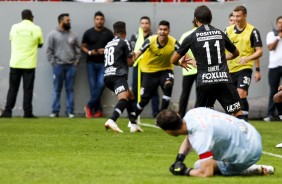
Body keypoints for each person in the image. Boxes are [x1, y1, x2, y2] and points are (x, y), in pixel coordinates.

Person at [171, 5, 244, 119]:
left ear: (196, 20)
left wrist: (181, 63)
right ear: (211, 18)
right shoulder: (220, 33)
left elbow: (173, 60)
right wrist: (224, 58)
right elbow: (236, 53)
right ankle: (245, 136)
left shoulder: (191, 37)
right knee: (237, 112)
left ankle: (204, 137)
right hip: (223, 78)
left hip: (205, 81)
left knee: (203, 116)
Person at [156, 108, 275, 177]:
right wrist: (179, 160)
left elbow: (207, 173)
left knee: (199, 165)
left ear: (168, 131)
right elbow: (189, 137)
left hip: (250, 152)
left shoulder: (200, 137)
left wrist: (185, 171)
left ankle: (254, 168)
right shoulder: (192, 114)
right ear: (178, 115)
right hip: (251, 132)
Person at [1, 9, 43, 118]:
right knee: (28, 90)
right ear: (31, 17)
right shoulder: (36, 28)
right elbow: (40, 43)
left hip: (15, 62)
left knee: (12, 88)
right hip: (29, 64)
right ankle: (27, 113)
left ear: (22, 17)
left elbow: (11, 40)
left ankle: (7, 112)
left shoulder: (14, 27)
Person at [133, 20, 181, 118]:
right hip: (149, 71)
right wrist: (131, 60)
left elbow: (182, 53)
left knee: (168, 85)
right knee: (144, 99)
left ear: (169, 31)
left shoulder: (173, 42)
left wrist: (189, 61)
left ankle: (160, 117)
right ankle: (133, 117)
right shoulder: (150, 40)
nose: (163, 32)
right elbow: (138, 53)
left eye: (165, 30)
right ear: (157, 30)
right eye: (161, 29)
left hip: (165, 70)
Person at [104, 21, 143, 133]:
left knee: (130, 95)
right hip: (118, 75)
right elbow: (130, 63)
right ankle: (112, 120)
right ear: (124, 32)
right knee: (124, 98)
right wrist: (134, 55)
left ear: (114, 32)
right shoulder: (124, 41)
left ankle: (133, 124)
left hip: (107, 77)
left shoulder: (108, 44)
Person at [226, 5, 263, 120]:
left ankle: (243, 122)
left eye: (238, 16)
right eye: (234, 16)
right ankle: (237, 119)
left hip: (245, 68)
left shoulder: (253, 31)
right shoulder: (228, 31)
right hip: (230, 69)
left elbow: (259, 51)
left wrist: (248, 59)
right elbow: (222, 50)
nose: (236, 19)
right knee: (233, 97)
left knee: (241, 93)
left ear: (245, 16)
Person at [46, 13, 81, 118]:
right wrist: (53, 63)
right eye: (67, 20)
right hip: (58, 66)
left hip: (71, 66)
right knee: (56, 89)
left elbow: (78, 49)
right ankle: (55, 111)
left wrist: (76, 62)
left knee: (70, 89)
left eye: (69, 20)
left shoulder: (73, 34)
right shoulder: (52, 34)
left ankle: (70, 111)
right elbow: (49, 50)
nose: (69, 22)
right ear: (61, 21)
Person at [81, 11, 114, 118]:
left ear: (104, 21)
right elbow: (83, 46)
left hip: (104, 63)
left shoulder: (109, 33)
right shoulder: (88, 32)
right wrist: (90, 52)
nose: (99, 21)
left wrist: (105, 50)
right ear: (94, 20)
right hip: (91, 63)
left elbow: (113, 47)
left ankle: (89, 106)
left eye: (101, 19)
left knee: (101, 84)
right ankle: (98, 110)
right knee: (93, 88)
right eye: (97, 19)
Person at [130, 16, 160, 118]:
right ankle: (134, 113)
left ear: (150, 25)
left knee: (153, 90)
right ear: (140, 24)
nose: (144, 25)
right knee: (135, 89)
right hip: (138, 65)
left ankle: (156, 113)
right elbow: (132, 50)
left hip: (150, 66)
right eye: (142, 23)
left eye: (146, 23)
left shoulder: (154, 37)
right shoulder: (135, 36)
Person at [178, 21, 198, 118]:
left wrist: (191, 61)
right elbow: (180, 49)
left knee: (185, 93)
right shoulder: (204, 34)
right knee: (200, 94)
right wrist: (193, 61)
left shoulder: (186, 34)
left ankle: (181, 115)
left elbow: (180, 49)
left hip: (188, 68)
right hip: (197, 68)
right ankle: (197, 116)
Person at [264, 16, 282, 121]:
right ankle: (270, 114)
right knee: (273, 91)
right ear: (276, 24)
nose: (281, 24)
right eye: (279, 22)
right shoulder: (271, 34)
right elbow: (270, 47)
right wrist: (278, 37)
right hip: (274, 66)